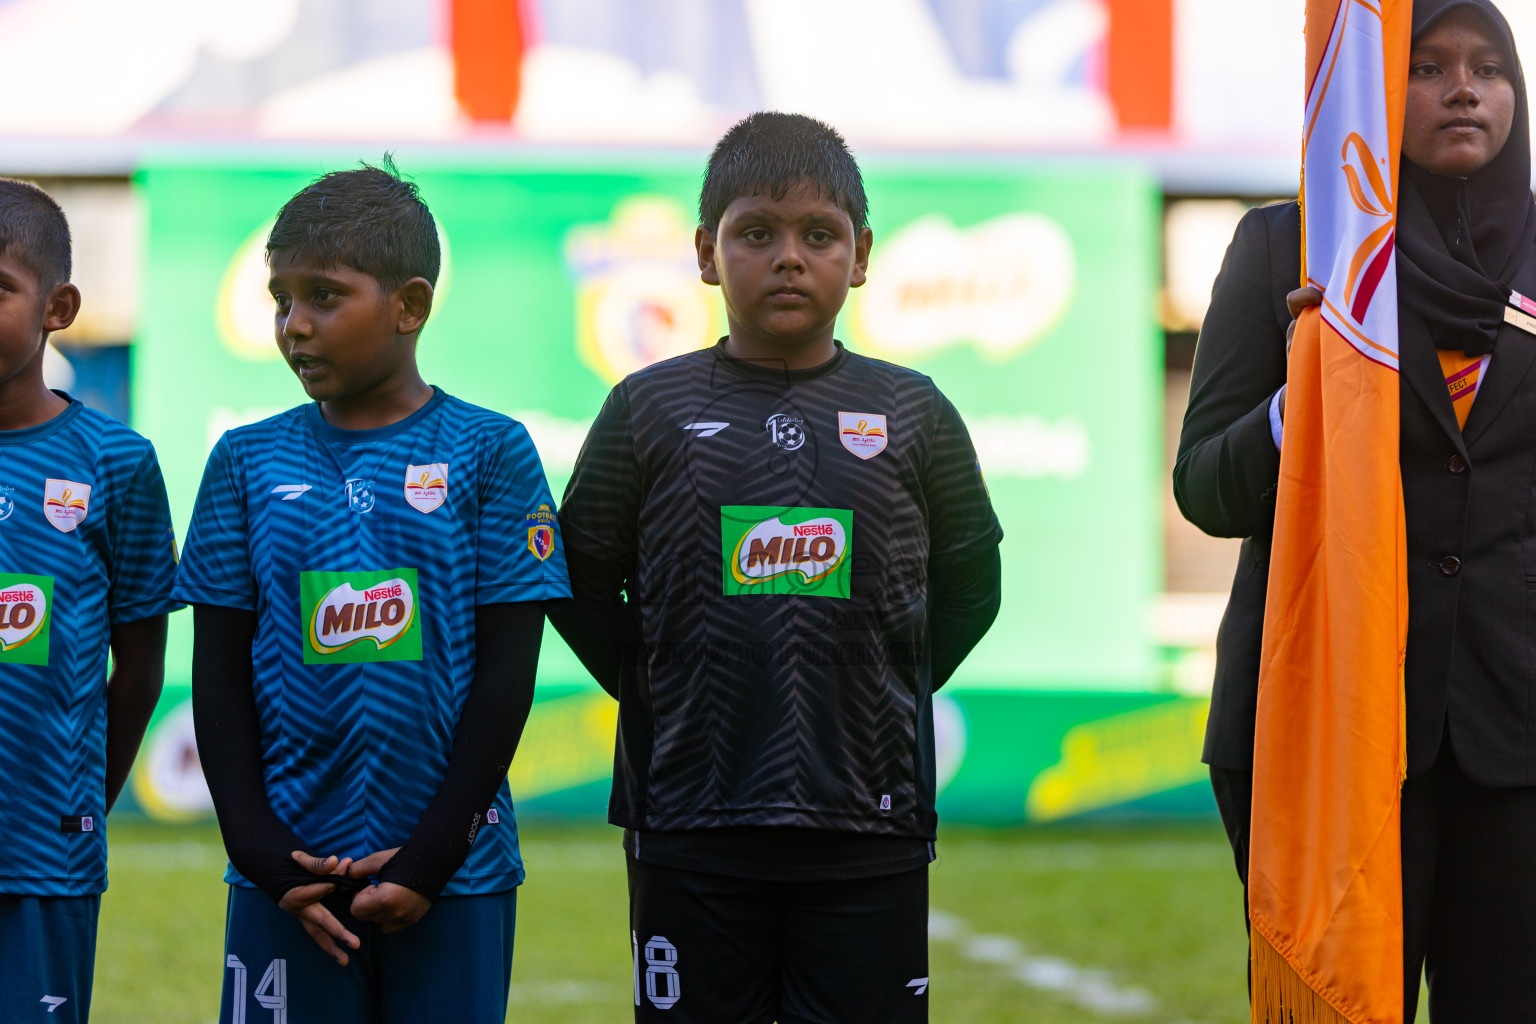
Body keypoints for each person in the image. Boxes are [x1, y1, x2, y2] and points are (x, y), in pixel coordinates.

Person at [550, 111, 1004, 1024]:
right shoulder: (647, 408)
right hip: (690, 823)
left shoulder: (914, 413)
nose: (789, 258)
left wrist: (879, 681)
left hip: (868, 829)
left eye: (818, 235)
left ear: (862, 253)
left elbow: (970, 590)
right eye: (757, 233)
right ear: (708, 255)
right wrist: (664, 681)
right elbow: (582, 584)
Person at [1175, 1, 1536, 1017]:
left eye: (1488, 67)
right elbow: (1205, 487)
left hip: (1513, 734)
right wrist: (1306, 398)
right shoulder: (1292, 244)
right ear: (1374, 88)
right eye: (1425, 66)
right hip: (1318, 726)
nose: (1463, 87)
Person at [173, 161, 570, 1023]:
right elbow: (217, 676)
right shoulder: (244, 462)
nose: (294, 325)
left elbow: (507, 678)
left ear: (410, 305)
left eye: (324, 296)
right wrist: (266, 858)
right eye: (280, 299)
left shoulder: (492, 453)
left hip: (453, 877)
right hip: (288, 880)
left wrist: (429, 860)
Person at [0, 179, 181, 1022]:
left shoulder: (116, 464)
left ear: (57, 306)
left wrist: (81, 806)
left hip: (44, 854)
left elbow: (141, 666)